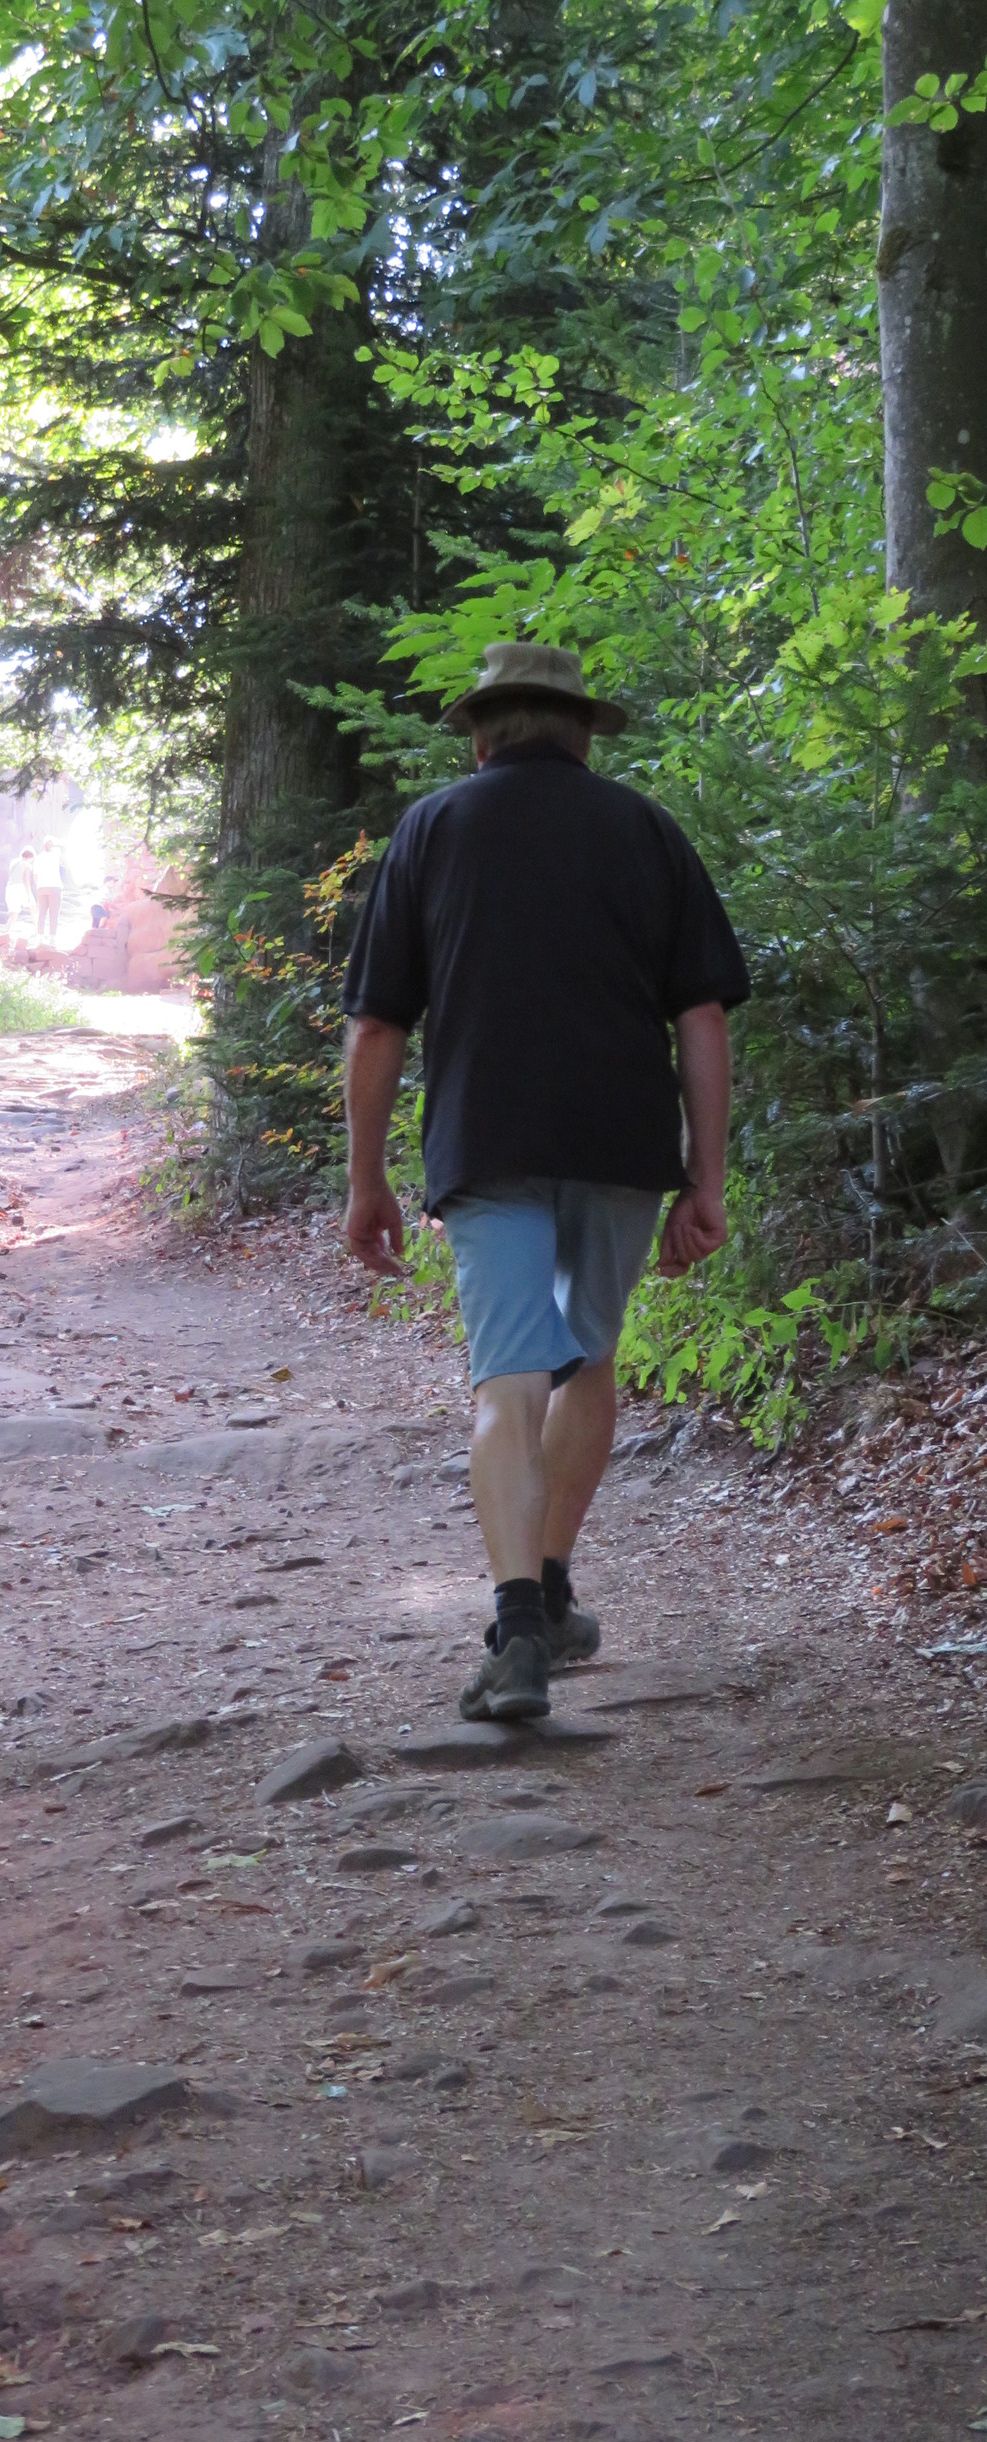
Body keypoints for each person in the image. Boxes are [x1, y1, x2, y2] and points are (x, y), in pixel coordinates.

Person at [341, 641, 750, 1724]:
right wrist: (706, 1180)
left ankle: (519, 1631)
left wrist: (365, 1179)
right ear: (583, 736)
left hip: (487, 1140)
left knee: (508, 1381)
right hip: (621, 1142)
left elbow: (378, 1024)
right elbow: (702, 1015)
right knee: (589, 1360)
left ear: (480, 737)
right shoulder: (647, 830)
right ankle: (555, 1586)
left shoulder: (432, 827)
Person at [32, 836, 64, 941]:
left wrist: (38, 886)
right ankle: (52, 938)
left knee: (41, 913)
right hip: (54, 886)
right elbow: (63, 846)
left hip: (42, 888)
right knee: (54, 914)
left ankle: (40, 937)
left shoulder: (38, 857)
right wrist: (55, 844)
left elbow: (35, 875)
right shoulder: (56, 854)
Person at [4, 845, 37, 933]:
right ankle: (38, 929)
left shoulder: (13, 862)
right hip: (19, 887)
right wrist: (29, 893)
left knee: (14, 914)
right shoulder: (27, 864)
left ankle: (7, 933)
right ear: (30, 857)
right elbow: (26, 880)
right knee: (33, 906)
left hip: (9, 888)